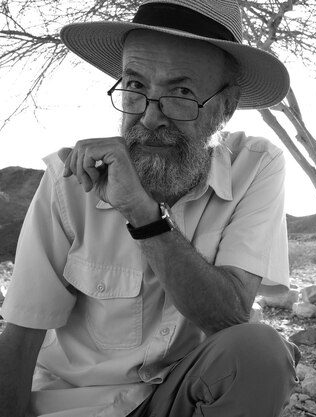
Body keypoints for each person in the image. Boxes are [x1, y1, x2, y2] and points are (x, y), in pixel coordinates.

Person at [0, 0, 300, 416]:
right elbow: (21, 332)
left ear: (225, 106)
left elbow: (230, 320)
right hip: (72, 407)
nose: (150, 117)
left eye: (181, 93)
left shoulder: (256, 167)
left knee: (260, 352)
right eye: (136, 87)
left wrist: (143, 213)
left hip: (180, 400)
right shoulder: (70, 181)